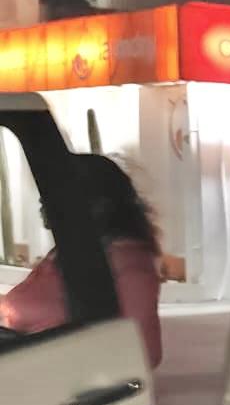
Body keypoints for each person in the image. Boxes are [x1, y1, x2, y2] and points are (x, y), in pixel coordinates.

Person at [0, 155, 162, 368]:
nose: (42, 201)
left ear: (92, 203)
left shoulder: (126, 263)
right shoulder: (69, 251)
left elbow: (142, 352)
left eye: (54, 192)